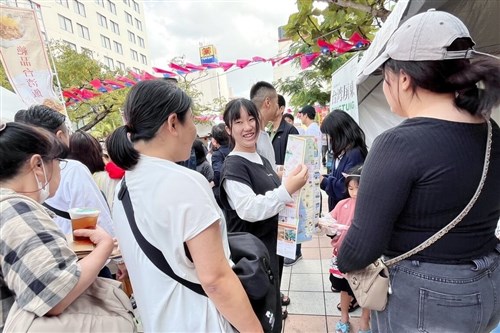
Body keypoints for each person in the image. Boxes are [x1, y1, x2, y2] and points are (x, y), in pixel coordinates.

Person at [337, 11, 500, 333]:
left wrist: (341, 243)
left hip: (427, 297)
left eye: (385, 78)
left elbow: (359, 251)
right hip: (488, 281)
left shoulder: (397, 143)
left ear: (404, 79)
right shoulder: (492, 130)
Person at [106, 80, 261, 332]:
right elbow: (215, 280)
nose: (194, 132)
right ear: (173, 123)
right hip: (201, 321)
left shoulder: (125, 186)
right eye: (191, 121)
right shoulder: (184, 183)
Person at [0, 121, 114, 330]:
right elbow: (54, 296)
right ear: (37, 165)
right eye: (58, 162)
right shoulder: (16, 209)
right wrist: (104, 248)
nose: (60, 170)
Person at [219, 98, 308, 333]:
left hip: (270, 250)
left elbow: (275, 194)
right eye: (238, 122)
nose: (247, 127)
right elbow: (249, 209)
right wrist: (286, 189)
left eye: (251, 119)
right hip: (251, 258)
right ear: (229, 129)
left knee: (272, 310)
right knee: (258, 316)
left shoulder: (261, 158)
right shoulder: (234, 165)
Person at [14, 105, 115, 237]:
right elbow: (97, 221)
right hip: (83, 250)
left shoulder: (17, 173)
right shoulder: (72, 169)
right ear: (60, 136)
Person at [322, 165, 370, 333]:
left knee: (366, 292)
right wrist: (326, 225)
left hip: (364, 257)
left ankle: (365, 323)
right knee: (344, 290)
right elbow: (328, 220)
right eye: (351, 188)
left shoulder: (371, 207)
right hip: (343, 255)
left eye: (358, 187)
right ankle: (344, 319)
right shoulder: (342, 204)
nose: (354, 192)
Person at [284, 105, 324, 267]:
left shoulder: (312, 131)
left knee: (300, 213)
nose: (299, 117)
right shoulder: (312, 129)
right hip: (309, 174)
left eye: (301, 114)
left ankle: (296, 252)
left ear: (306, 115)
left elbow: (309, 154)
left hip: (306, 174)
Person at [319, 110, 368, 212]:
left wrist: (323, 181)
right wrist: (323, 178)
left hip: (348, 215)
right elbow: (337, 177)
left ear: (339, 133)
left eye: (330, 135)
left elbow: (345, 188)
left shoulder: (355, 154)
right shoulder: (341, 152)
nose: (329, 139)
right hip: (339, 212)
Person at [250, 81, 280, 172]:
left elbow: (269, 174)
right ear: (268, 102)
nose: (278, 107)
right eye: (276, 102)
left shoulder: (263, 133)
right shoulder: (252, 138)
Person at [210, 123, 231, 207]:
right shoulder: (235, 147)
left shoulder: (217, 154)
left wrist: (213, 182)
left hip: (227, 193)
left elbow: (218, 174)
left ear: (215, 139)